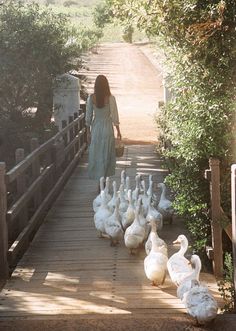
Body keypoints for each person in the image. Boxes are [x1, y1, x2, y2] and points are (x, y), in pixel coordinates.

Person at [85, 75, 121, 181]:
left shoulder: (91, 98)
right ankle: (104, 178)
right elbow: (115, 116)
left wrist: (88, 132)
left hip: (96, 127)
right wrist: (118, 131)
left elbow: (88, 117)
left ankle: (99, 179)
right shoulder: (110, 98)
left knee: (97, 152)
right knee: (107, 152)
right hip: (107, 127)